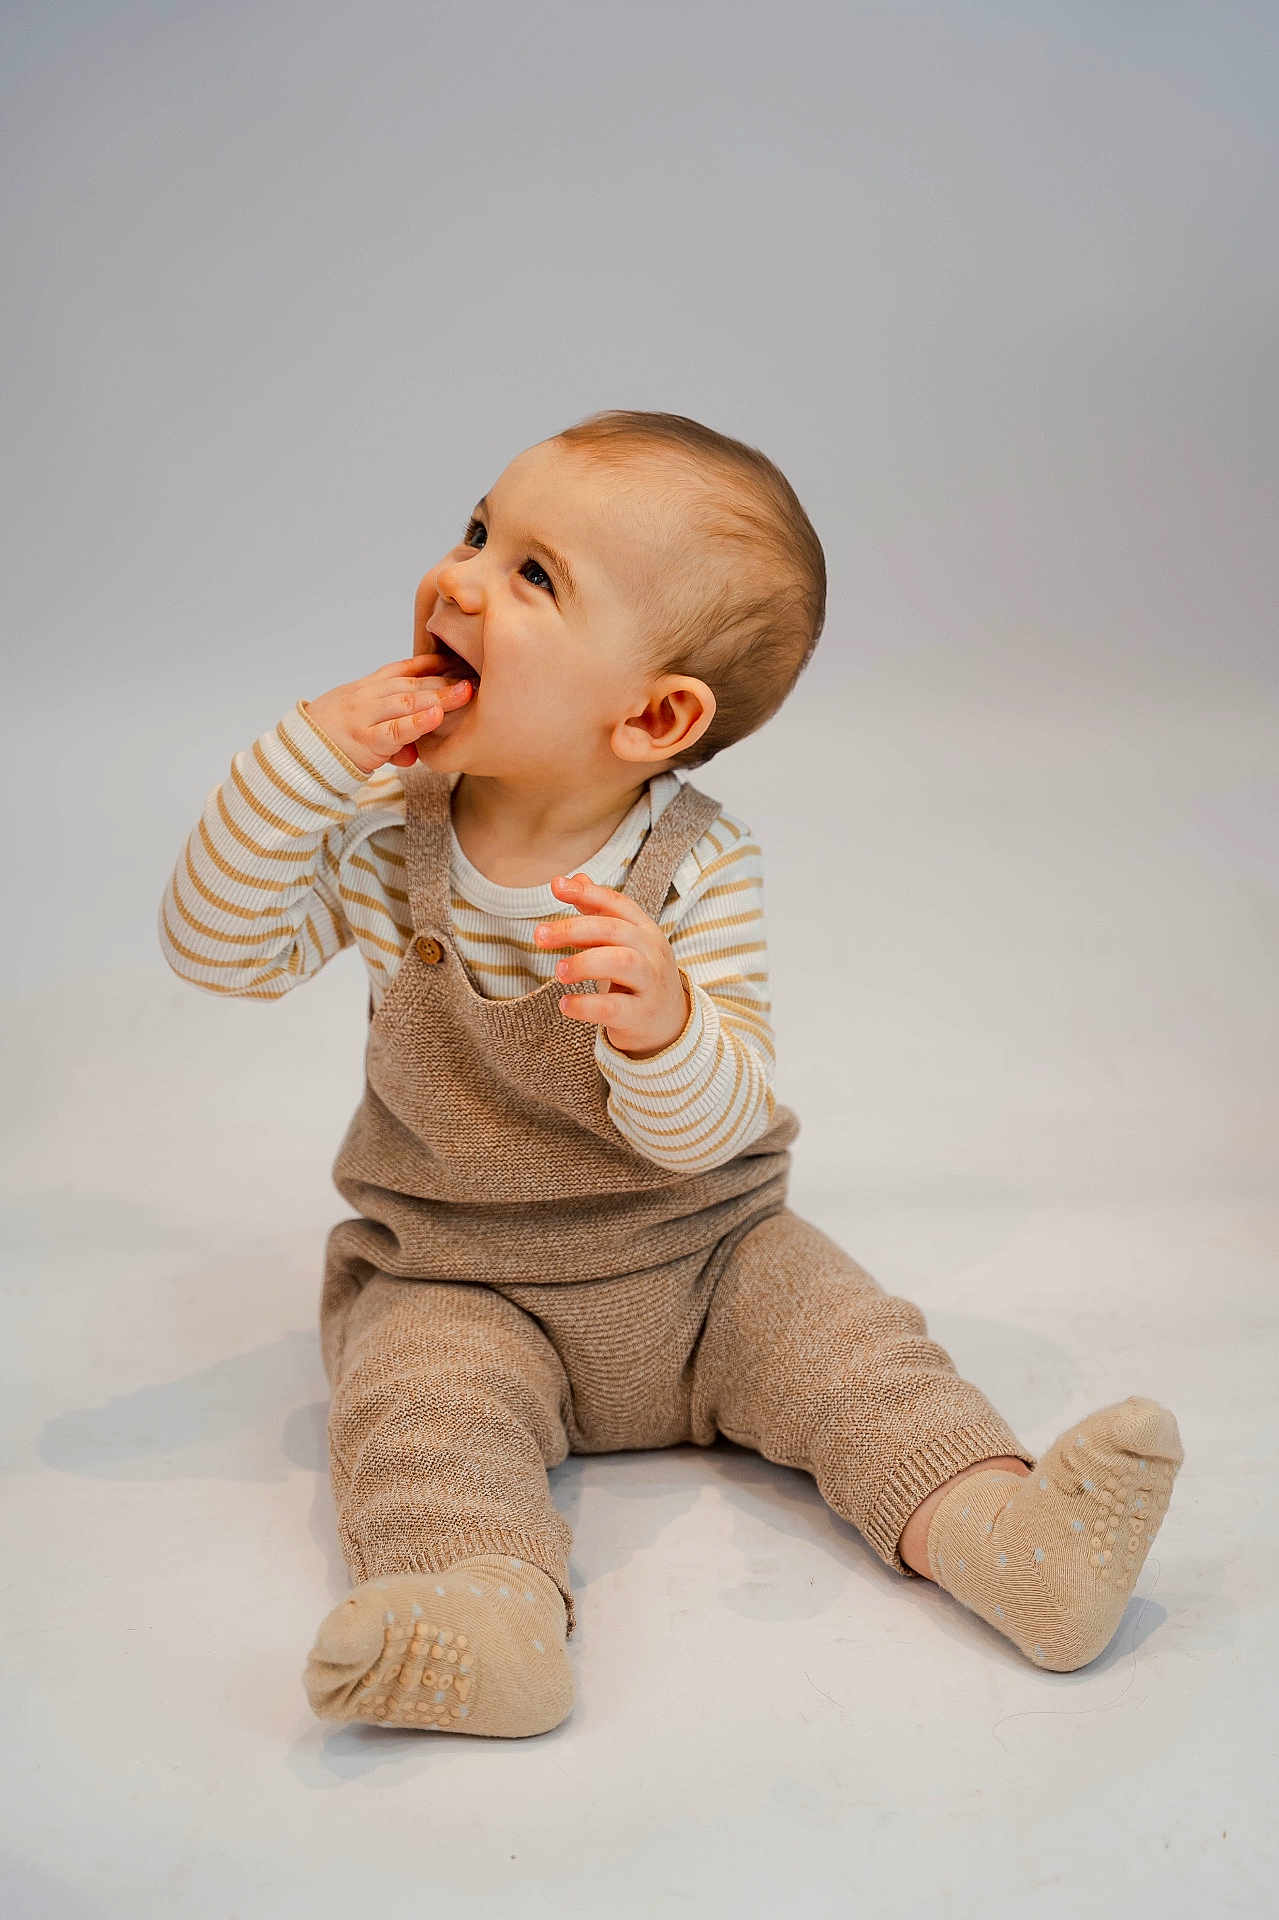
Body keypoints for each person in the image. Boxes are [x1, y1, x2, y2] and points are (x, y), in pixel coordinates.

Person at [158, 409, 1183, 1738]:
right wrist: (302, 758)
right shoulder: (380, 830)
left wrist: (667, 1029)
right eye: (479, 531)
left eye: (534, 577)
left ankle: (1006, 1537)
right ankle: (488, 1614)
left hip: (703, 1260)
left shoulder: (696, 867)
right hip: (459, 1272)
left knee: (855, 1353)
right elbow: (216, 950)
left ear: (653, 715)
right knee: (417, 1417)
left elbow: (718, 1124)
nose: (461, 579)